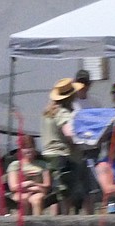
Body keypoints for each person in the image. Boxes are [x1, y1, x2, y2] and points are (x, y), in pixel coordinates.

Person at [41, 77, 90, 214]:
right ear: (72, 96)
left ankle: (55, 225)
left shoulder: (48, 112)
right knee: (65, 195)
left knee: (57, 195)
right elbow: (69, 133)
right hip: (64, 157)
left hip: (49, 156)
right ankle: (64, 224)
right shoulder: (64, 112)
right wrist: (80, 140)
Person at [7, 135, 55, 216]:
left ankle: (37, 225)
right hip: (21, 192)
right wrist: (27, 186)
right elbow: (13, 187)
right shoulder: (15, 165)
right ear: (20, 150)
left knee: (36, 200)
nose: (29, 150)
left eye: (31, 147)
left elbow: (47, 184)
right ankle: (24, 224)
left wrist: (32, 184)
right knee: (24, 198)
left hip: (39, 191)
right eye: (25, 148)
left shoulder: (43, 164)